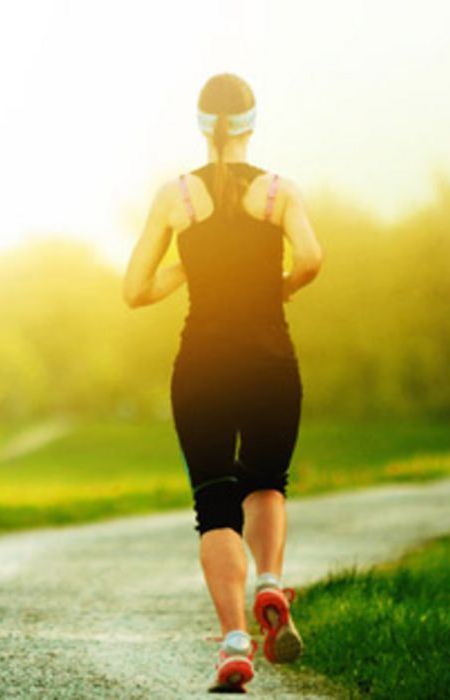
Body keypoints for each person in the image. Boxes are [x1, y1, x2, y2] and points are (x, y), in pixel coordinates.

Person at [121, 73, 324, 693]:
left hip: (201, 369)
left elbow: (134, 290)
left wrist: (187, 264)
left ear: (201, 125)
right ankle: (270, 581)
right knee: (266, 484)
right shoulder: (278, 193)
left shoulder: (175, 197)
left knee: (215, 506)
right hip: (271, 363)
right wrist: (277, 287)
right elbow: (313, 259)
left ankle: (235, 643)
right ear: (252, 124)